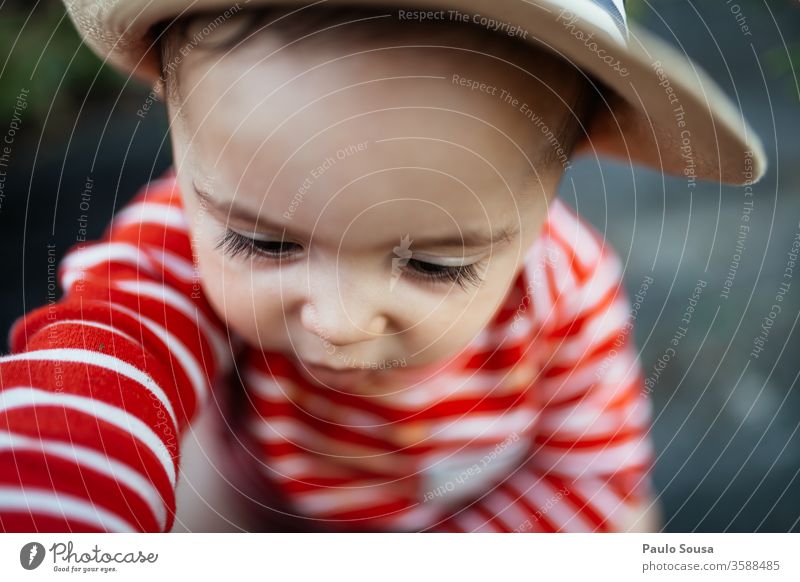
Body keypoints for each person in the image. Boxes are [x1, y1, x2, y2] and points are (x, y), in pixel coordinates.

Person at [0, 1, 765, 532]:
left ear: (555, 185)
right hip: (268, 498)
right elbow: (97, 375)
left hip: (476, 508)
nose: (337, 322)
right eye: (265, 245)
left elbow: (588, 477)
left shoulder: (566, 285)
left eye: (433, 263)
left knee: (629, 530)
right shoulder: (168, 242)